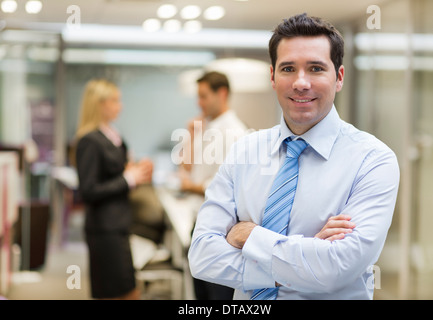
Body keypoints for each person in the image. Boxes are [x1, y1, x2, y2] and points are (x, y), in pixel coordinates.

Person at [188, 13, 400, 300]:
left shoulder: (373, 160)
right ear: (273, 77)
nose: (301, 83)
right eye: (288, 68)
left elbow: (339, 267)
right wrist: (306, 257)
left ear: (338, 77)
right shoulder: (244, 150)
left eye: (315, 68)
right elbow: (202, 255)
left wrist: (251, 236)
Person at [74, 79, 153, 300]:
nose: (121, 106)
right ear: (99, 104)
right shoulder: (89, 141)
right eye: (115, 100)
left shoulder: (113, 136)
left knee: (125, 289)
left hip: (118, 225)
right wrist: (128, 178)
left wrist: (137, 173)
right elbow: (88, 191)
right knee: (120, 292)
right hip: (104, 229)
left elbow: (118, 177)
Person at [179, 71, 248, 300]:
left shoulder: (234, 132)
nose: (199, 103)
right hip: (200, 221)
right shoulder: (208, 127)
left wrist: (192, 187)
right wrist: (191, 134)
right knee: (201, 294)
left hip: (222, 231)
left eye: (204, 96)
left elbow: (230, 188)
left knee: (217, 295)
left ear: (222, 93)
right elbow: (186, 166)